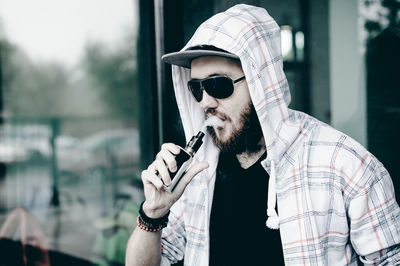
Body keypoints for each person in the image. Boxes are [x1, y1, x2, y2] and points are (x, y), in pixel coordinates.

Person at [126, 4, 400, 265]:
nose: (205, 102)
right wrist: (152, 214)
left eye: (218, 85)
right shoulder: (197, 172)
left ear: (262, 84)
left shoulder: (345, 165)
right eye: (197, 88)